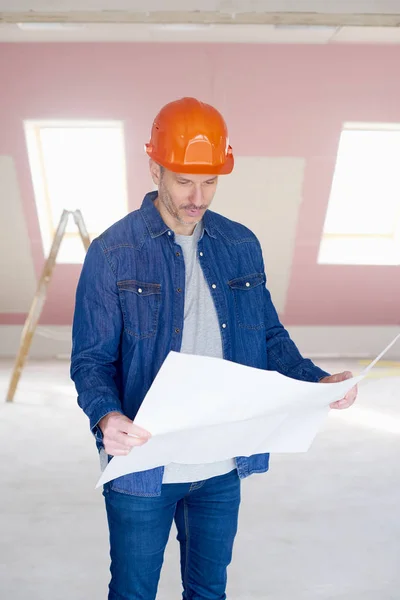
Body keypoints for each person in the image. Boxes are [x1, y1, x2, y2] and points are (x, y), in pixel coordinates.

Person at [70, 97, 358, 600]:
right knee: (134, 593)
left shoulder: (239, 243)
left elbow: (268, 337)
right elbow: (91, 359)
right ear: (155, 167)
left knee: (209, 591)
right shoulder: (113, 252)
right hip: (144, 467)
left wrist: (317, 380)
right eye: (184, 180)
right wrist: (105, 415)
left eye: (209, 181)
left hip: (221, 464)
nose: (198, 196)